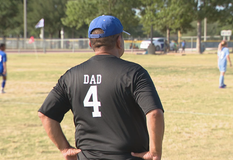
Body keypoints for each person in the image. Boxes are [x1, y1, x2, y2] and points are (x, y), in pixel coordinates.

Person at [38, 15, 165, 160]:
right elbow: (154, 113)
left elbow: (46, 114)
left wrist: (65, 148)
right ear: (119, 41)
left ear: (90, 44)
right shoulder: (134, 73)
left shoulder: (71, 76)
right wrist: (155, 153)